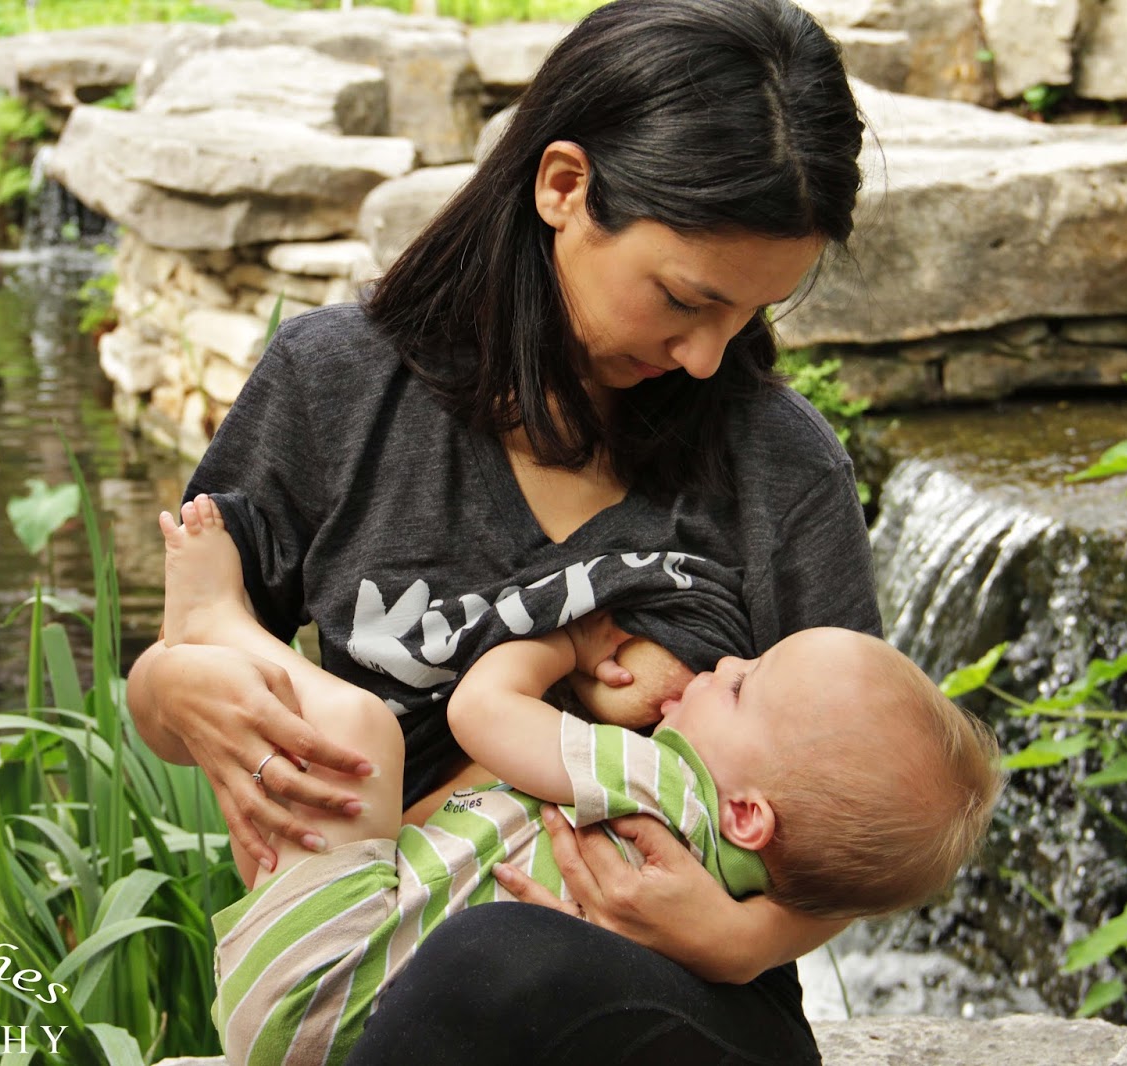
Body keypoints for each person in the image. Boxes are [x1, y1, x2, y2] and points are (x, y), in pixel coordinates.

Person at [125, 0, 878, 1060]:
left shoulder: (780, 467)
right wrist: (172, 689)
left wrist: (741, 934)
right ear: (562, 187)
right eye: (682, 299)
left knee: (494, 960)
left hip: (669, 1006)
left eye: (750, 315)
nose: (709, 357)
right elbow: (169, 690)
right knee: (463, 965)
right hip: (381, 959)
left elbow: (864, 800)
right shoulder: (335, 385)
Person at [160, 495, 1000, 1066]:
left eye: (743, 685)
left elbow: (481, 714)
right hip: (352, 1001)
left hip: (326, 980)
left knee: (356, 734)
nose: (728, 660)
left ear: (746, 812)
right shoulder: (752, 879)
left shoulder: (653, 783)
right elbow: (837, 879)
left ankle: (222, 624)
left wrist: (570, 647)